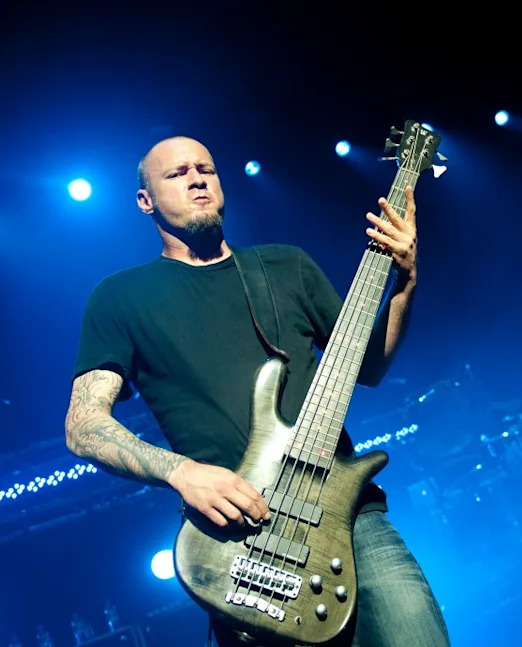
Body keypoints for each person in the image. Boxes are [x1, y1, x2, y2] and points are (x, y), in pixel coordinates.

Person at [64, 136, 451, 646]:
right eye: (177, 174)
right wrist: (183, 473)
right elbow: (84, 426)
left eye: (206, 168)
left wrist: (406, 280)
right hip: (241, 543)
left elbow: (369, 364)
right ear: (145, 201)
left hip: (349, 520)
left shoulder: (284, 266)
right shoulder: (119, 298)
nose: (198, 178)